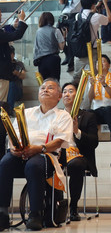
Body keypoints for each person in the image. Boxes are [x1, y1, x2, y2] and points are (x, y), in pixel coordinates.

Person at [0, 79, 72, 231]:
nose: (45, 90)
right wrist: (14, 149)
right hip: (20, 154)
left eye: (50, 88)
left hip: (46, 156)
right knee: (5, 163)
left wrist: (39, 148)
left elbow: (59, 141)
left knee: (34, 165)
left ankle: (35, 214)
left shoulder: (63, 116)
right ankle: (2, 213)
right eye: (43, 88)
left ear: (59, 96)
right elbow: (13, 135)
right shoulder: (26, 112)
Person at [61, 82, 98, 221]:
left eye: (70, 91)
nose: (67, 94)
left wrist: (77, 131)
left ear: (78, 95)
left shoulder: (88, 116)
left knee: (76, 165)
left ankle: (73, 207)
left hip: (79, 155)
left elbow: (94, 142)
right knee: (46, 163)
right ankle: (53, 206)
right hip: (60, 154)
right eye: (64, 91)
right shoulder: (56, 115)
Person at [72, 0, 111, 84]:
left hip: (80, 49)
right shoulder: (96, 17)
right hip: (92, 50)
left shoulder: (78, 16)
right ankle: (94, 94)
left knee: (77, 76)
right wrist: (105, 3)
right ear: (93, 4)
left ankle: (75, 93)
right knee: (95, 75)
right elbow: (110, 19)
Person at [87, 54, 111, 137]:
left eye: (103, 61)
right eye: (98, 62)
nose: (100, 64)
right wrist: (92, 85)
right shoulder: (93, 79)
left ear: (109, 65)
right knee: (89, 113)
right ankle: (92, 138)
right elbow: (90, 98)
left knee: (108, 110)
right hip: (97, 111)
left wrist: (104, 83)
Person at [0, 10, 27, 102]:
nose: (1, 14)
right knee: (2, 104)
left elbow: (5, 34)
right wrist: (21, 20)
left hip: (3, 74)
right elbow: (16, 35)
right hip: (1, 75)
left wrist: (13, 26)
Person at [33, 12, 65, 81]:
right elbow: (61, 47)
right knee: (55, 82)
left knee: (44, 83)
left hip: (41, 61)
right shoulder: (56, 30)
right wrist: (64, 37)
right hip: (53, 59)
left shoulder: (38, 31)